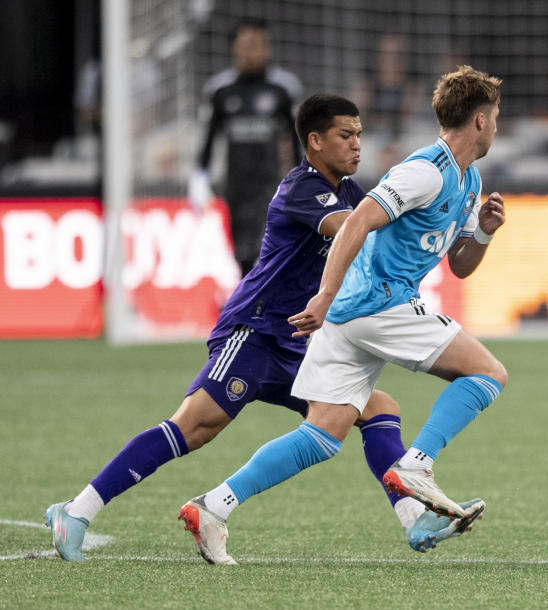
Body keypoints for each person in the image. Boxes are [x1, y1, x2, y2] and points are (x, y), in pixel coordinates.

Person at [44, 94, 476, 564]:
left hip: (297, 340)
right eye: (345, 136)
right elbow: (355, 228)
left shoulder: (352, 193)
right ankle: (75, 510)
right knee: (194, 427)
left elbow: (371, 226)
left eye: (359, 135)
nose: (357, 146)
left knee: (376, 409)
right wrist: (415, 208)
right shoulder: (302, 187)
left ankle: (414, 519)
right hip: (254, 332)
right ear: (314, 141)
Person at [182, 66, 507, 560]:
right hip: (379, 300)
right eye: (496, 116)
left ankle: (214, 506)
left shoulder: (469, 179)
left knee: (322, 434)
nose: (498, 126)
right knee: (488, 374)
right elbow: (358, 221)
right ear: (480, 121)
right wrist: (325, 295)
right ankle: (417, 466)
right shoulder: (426, 170)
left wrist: (482, 231)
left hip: (354, 314)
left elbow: (460, 265)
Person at [189, 18, 303, 276]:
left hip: (270, 185)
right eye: (248, 44)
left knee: (267, 248)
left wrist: (300, 178)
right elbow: (208, 136)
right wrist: (200, 176)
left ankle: (262, 304)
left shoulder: (283, 89)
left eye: (260, 44)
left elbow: (297, 138)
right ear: (235, 48)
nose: (254, 51)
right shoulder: (220, 91)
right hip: (235, 184)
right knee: (240, 252)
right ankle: (249, 302)